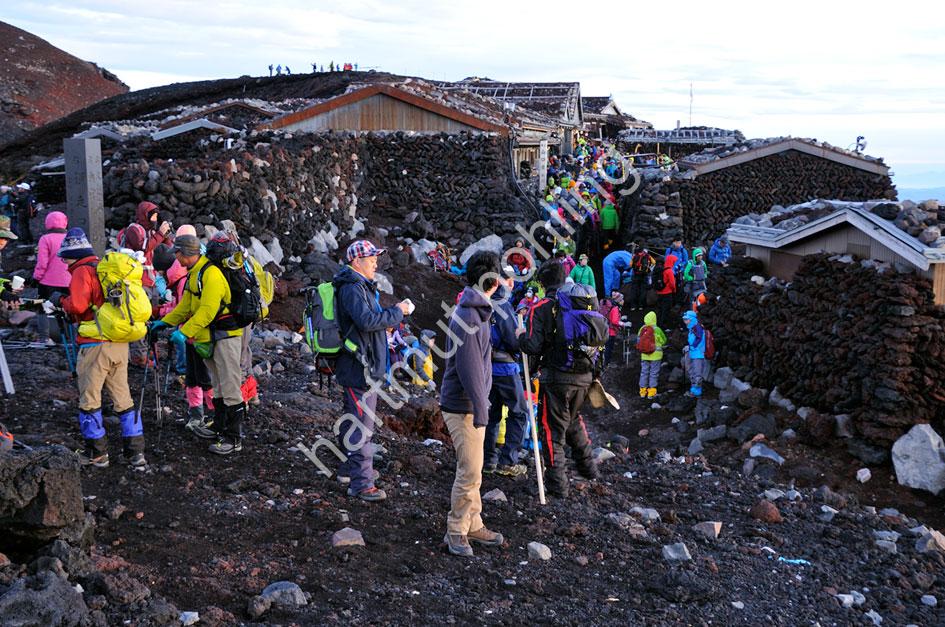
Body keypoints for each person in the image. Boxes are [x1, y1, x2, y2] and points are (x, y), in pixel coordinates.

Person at [55, 228, 145, 468]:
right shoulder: (104, 268)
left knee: (90, 398)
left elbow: (77, 304)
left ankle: (96, 453)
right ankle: (135, 453)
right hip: (119, 342)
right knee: (122, 396)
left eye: (65, 256)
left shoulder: (81, 271)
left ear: (72, 254)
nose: (63, 261)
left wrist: (60, 301)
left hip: (95, 344)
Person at [154, 234, 246, 455]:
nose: (175, 256)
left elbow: (208, 310)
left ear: (185, 254)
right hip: (211, 337)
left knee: (230, 384)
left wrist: (184, 333)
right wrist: (164, 323)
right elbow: (186, 307)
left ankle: (233, 437)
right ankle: (219, 426)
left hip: (226, 336)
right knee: (219, 383)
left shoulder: (211, 274)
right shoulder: (195, 274)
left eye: (177, 252)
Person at [333, 240, 411, 501]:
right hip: (359, 368)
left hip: (360, 365)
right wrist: (397, 312)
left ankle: (350, 470)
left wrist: (388, 320)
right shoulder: (352, 287)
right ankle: (362, 484)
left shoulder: (357, 286)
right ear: (356, 261)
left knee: (355, 420)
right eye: (371, 258)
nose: (376, 262)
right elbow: (367, 321)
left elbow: (366, 323)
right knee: (361, 426)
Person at [439, 250, 505, 557]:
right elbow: (469, 369)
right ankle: (456, 530)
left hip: (469, 403)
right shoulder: (469, 316)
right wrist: (481, 408)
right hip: (463, 405)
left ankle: (473, 522)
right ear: (491, 281)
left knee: (475, 468)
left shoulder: (476, 310)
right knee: (469, 471)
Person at [518, 261, 600, 499]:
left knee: (552, 431)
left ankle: (557, 488)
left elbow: (532, 345)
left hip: (556, 378)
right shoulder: (580, 302)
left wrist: (520, 337)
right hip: (584, 376)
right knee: (573, 420)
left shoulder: (541, 307)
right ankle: (589, 470)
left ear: (542, 284)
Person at [218, 220, 275, 406]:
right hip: (249, 311)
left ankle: (244, 399)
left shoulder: (235, 259)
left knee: (240, 355)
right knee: (245, 353)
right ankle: (251, 395)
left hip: (241, 313)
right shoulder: (244, 255)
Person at [483, 271, 528, 478]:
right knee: (518, 413)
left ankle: (487, 460)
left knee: (491, 415)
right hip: (506, 369)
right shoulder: (503, 305)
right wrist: (521, 339)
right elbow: (511, 340)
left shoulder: (482, 304)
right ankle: (508, 461)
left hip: (486, 368)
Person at [32, 211, 71, 342]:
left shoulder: (45, 239)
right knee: (68, 308)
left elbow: (42, 263)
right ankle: (69, 336)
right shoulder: (70, 238)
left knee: (42, 308)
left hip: (47, 282)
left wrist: (36, 278)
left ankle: (45, 338)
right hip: (69, 281)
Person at [637, 311, 667, 399]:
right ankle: (651, 393)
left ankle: (642, 392)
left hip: (644, 355)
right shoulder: (657, 329)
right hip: (656, 355)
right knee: (654, 373)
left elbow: (638, 341)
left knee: (644, 372)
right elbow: (664, 340)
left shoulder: (642, 329)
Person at [682, 311, 707, 397]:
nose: (685, 321)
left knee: (697, 372)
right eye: (684, 320)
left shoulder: (697, 328)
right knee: (691, 370)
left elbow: (699, 339)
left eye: (686, 319)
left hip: (698, 354)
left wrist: (691, 347)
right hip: (693, 352)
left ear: (691, 319)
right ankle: (694, 390)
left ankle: (696, 392)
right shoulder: (692, 328)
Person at [600, 291, 625, 367]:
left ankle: (601, 363)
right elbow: (614, 321)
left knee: (603, 348)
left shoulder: (608, 307)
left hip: (603, 330)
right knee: (608, 349)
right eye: (622, 299)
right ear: (619, 300)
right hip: (611, 332)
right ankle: (606, 364)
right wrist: (622, 323)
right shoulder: (615, 308)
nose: (623, 301)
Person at [665, 239, 689, 307]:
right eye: (676, 242)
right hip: (670, 272)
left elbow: (686, 261)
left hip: (679, 272)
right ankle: (670, 302)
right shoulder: (669, 250)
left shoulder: (683, 250)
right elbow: (666, 260)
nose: (678, 244)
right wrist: (670, 269)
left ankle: (678, 303)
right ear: (673, 242)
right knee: (670, 287)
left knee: (679, 287)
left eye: (679, 242)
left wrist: (680, 266)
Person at [656, 254, 677, 328]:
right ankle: (664, 326)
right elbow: (672, 284)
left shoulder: (661, 269)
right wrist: (674, 290)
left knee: (660, 309)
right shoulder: (669, 271)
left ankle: (658, 324)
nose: (674, 263)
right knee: (666, 310)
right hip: (667, 293)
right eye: (674, 262)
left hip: (659, 292)